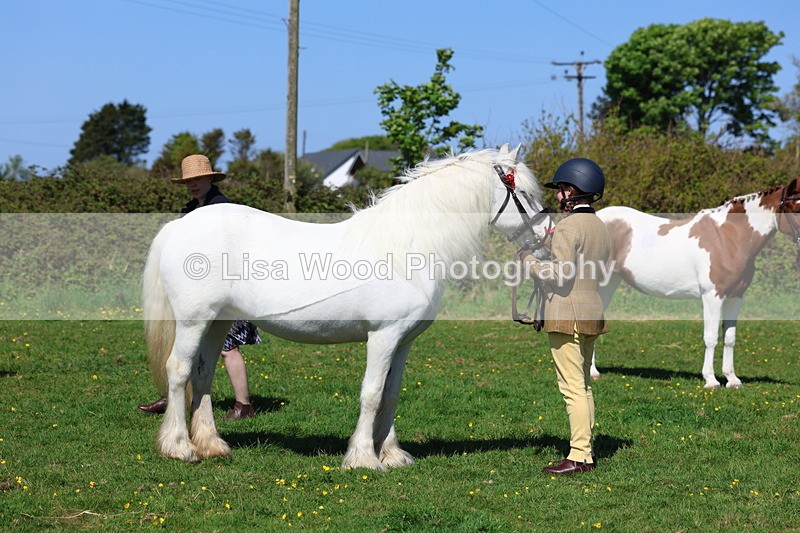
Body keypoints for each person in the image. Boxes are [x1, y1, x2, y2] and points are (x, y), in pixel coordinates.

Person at [138, 154, 260, 420]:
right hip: (198, 289)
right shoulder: (190, 210)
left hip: (228, 287)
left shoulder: (224, 210)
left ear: (209, 178)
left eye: (198, 179)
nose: (193, 185)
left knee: (228, 347)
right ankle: (174, 395)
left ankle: (244, 404)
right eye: (189, 181)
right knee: (188, 343)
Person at [522, 157, 611, 475]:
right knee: (583, 385)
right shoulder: (600, 228)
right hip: (592, 311)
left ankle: (579, 456)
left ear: (573, 190)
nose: (558, 195)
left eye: (561, 189)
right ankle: (584, 453)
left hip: (566, 314)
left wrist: (531, 260)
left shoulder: (568, 227)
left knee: (571, 387)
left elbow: (559, 277)